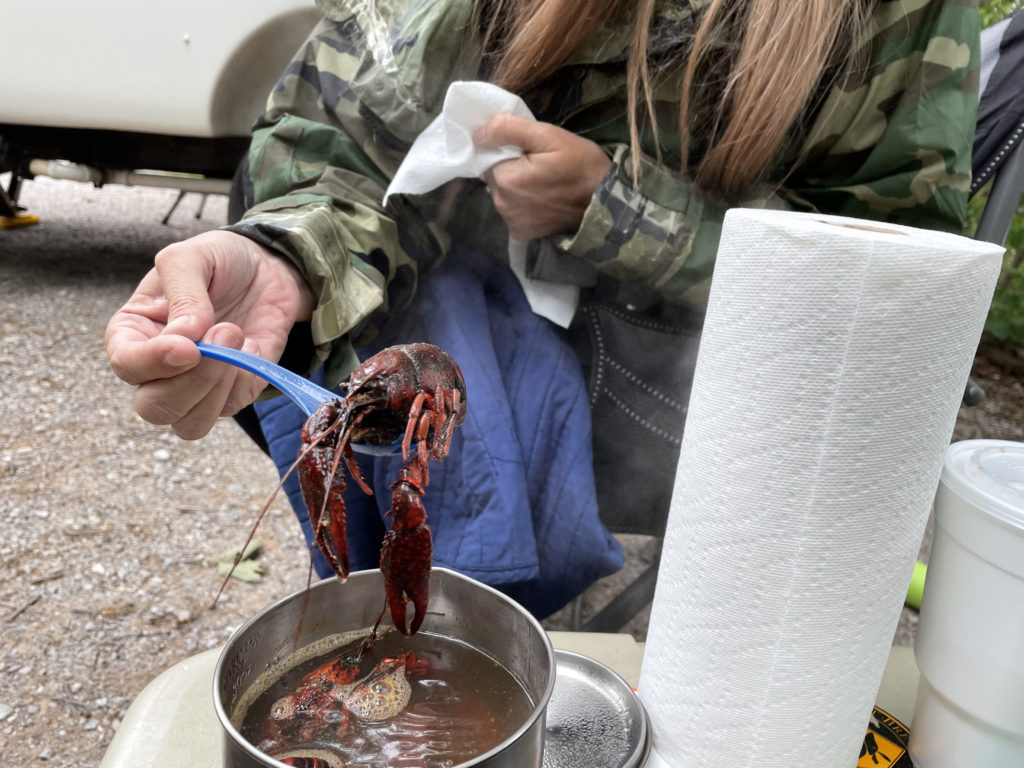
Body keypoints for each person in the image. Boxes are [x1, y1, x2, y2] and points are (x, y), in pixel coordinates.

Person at [105, 0, 982, 618]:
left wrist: (616, 208)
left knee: (421, 478)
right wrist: (288, 253)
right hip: (451, 310)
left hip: (691, 387)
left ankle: (483, 596)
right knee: (332, 435)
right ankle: (390, 590)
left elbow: (905, 287)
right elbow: (344, 132)